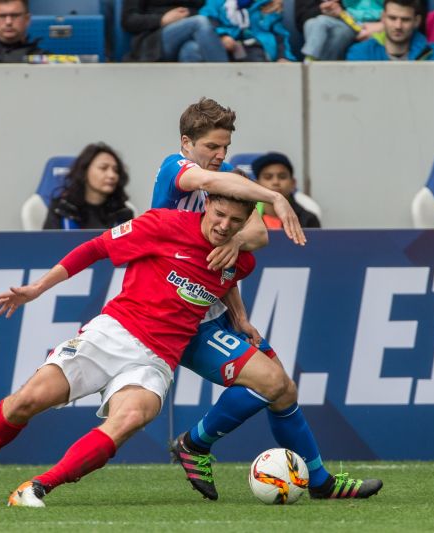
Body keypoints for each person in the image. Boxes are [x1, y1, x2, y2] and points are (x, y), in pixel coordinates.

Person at [0, 194, 258, 507]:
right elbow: (96, 248)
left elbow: (225, 280)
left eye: (236, 221)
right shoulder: (164, 225)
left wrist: (240, 318)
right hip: (112, 333)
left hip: (157, 361)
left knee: (130, 419)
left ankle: (37, 488)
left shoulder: (240, 260)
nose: (225, 225)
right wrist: (37, 288)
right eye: (220, 214)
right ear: (207, 203)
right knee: (26, 401)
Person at [152, 98, 382, 501]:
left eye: (224, 148)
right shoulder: (178, 169)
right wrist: (275, 197)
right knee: (268, 382)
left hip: (214, 307)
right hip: (178, 314)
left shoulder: (223, 179)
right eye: (211, 147)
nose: (220, 156)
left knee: (284, 390)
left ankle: (320, 482)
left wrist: (239, 308)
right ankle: (195, 443)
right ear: (186, 144)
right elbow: (211, 188)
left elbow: (256, 236)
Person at [44, 143, 135, 230]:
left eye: (116, 170)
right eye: (103, 168)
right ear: (84, 171)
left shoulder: (123, 213)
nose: (112, 175)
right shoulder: (61, 210)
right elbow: (48, 244)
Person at [121, 0, 229, 62]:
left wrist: (222, 34)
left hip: (197, 37)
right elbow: (128, 20)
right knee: (199, 22)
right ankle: (227, 83)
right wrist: (162, 19)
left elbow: (210, 11)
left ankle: (197, 99)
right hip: (155, 40)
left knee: (191, 50)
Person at [199, 0, 296, 61]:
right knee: (192, 50)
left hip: (256, 48)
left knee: (255, 57)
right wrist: (223, 35)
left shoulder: (268, 4)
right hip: (224, 47)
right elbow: (208, 18)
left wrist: (283, 57)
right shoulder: (217, 3)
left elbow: (280, 35)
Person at [346, 0, 434, 60]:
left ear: (417, 21)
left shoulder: (432, 54)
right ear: (383, 17)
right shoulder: (361, 53)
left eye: (405, 20)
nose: (398, 26)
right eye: (392, 18)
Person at [251, 152, 321, 228]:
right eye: (268, 177)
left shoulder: (308, 219)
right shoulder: (246, 217)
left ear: (293, 183)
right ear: (257, 185)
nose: (276, 182)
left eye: (282, 177)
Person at [296, 0, 361, 61]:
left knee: (340, 32)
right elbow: (301, 21)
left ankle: (311, 59)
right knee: (311, 23)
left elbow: (358, 10)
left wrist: (340, 12)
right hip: (317, 23)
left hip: (347, 23)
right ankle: (320, 64)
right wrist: (321, 9)